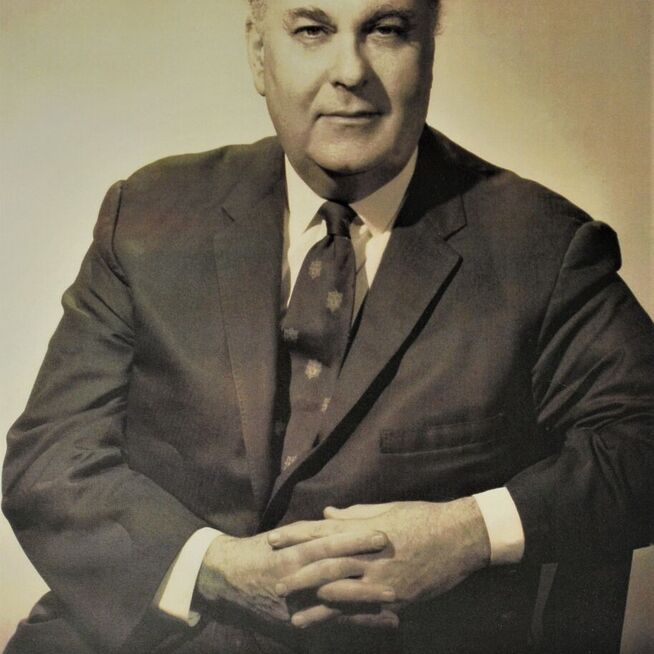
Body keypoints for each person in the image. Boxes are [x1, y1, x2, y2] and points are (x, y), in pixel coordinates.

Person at [3, 0, 652, 652]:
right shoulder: (148, 212)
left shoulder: (539, 247)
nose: (351, 71)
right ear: (259, 53)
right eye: (313, 30)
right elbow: (49, 457)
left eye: (386, 30)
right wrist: (212, 568)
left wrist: (470, 533)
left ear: (429, 50)